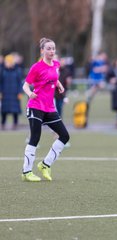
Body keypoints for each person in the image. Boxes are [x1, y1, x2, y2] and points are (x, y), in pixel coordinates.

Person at [21, 38, 70, 182]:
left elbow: (54, 77)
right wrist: (30, 94)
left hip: (49, 108)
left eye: (53, 48)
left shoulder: (56, 64)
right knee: (35, 138)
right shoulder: (36, 67)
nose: (51, 51)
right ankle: (26, 172)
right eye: (48, 48)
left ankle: (45, 164)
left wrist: (59, 84)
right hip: (35, 106)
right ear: (42, 50)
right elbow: (25, 85)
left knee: (65, 136)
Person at [0, 54, 23, 130]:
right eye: (7, 62)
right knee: (4, 111)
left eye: (9, 62)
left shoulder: (18, 71)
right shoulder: (2, 71)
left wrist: (20, 92)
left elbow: (20, 83)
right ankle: (3, 124)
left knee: (15, 111)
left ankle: (15, 124)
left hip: (15, 94)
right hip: (5, 94)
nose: (8, 63)